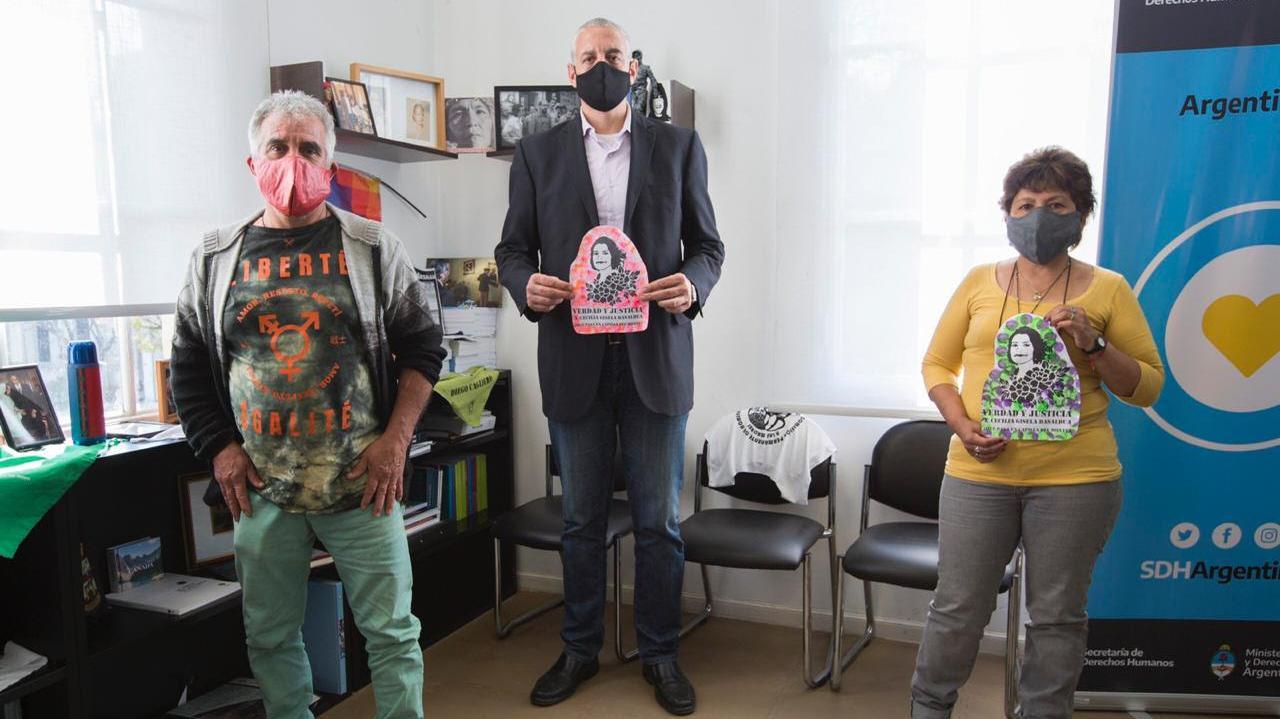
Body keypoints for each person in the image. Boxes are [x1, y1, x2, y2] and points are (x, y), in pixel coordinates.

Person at [170, 90, 445, 719]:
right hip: (261, 492)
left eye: (308, 148)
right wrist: (220, 449)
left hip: (362, 487)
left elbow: (423, 350)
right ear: (252, 162)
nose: (292, 161)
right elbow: (187, 362)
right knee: (270, 638)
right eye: (278, 147)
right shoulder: (214, 259)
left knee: (393, 636)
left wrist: (394, 444)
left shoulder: (373, 247)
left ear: (330, 165)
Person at [495, 17, 723, 716]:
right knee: (580, 520)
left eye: (613, 55)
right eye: (589, 57)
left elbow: (708, 247)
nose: (602, 65)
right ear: (571, 72)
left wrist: (693, 284)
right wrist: (524, 285)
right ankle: (579, 648)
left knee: (659, 522)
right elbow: (512, 250)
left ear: (633, 66)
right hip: (574, 360)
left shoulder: (679, 146)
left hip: (656, 359)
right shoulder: (535, 155)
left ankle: (660, 653)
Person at [914, 146, 1165, 719]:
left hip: (1076, 480)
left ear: (1081, 215)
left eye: (1056, 204)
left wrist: (1094, 344)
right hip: (978, 474)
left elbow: (1147, 386)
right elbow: (936, 365)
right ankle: (929, 708)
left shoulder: (1108, 290)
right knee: (957, 608)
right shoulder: (979, 282)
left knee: (1055, 617)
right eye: (1025, 205)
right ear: (1006, 214)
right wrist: (961, 425)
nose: (1037, 217)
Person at [584, 236, 638, 304]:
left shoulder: (621, 280)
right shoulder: (595, 282)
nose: (599, 257)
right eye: (596, 253)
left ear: (612, 256)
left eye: (605, 253)